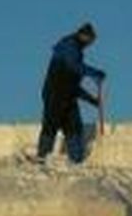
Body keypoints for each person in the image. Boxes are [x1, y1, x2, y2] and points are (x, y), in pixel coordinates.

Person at [38, 22, 105, 163]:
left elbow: (74, 87)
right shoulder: (69, 45)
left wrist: (92, 100)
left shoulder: (78, 52)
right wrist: (94, 73)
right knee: (51, 124)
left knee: (74, 127)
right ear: (84, 36)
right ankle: (42, 157)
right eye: (91, 40)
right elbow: (74, 66)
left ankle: (76, 161)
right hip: (54, 94)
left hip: (68, 97)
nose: (91, 44)